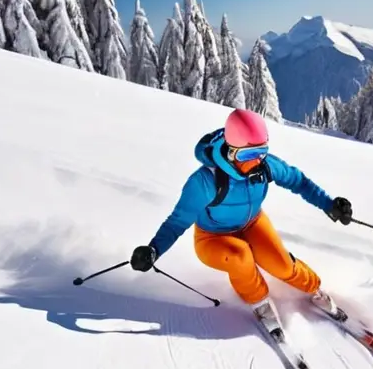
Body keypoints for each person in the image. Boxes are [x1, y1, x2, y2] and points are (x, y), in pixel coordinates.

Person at [129, 108, 353, 330]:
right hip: (213, 237)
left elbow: (298, 181)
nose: (256, 161)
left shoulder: (264, 166)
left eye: (261, 152)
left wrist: (329, 204)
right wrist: (153, 250)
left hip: (252, 223)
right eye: (247, 155)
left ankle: (315, 290)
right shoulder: (206, 181)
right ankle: (261, 303)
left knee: (282, 265)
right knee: (240, 257)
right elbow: (177, 221)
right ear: (232, 151)